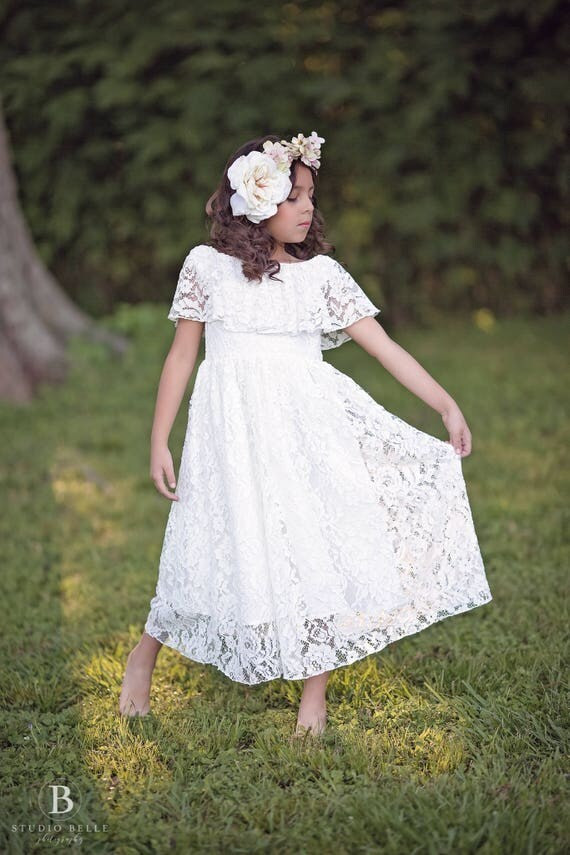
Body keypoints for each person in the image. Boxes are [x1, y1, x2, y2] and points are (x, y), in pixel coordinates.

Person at [119, 131, 493, 736]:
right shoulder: (206, 267)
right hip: (230, 436)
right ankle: (145, 654)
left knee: (315, 541)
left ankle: (313, 696)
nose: (306, 208)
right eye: (292, 196)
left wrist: (446, 405)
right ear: (254, 199)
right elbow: (182, 355)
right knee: (206, 540)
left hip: (306, 433)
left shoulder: (321, 276)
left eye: (310, 196)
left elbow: (384, 347)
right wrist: (160, 438)